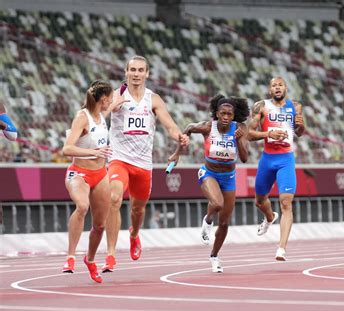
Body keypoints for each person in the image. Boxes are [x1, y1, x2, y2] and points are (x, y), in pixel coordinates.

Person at [103, 55, 189, 272]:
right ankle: (111, 254)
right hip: (119, 159)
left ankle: (134, 235)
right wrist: (112, 106)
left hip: (143, 164)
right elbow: (96, 117)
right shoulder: (115, 95)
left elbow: (169, 126)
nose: (136, 74)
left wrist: (179, 136)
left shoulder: (154, 99)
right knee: (114, 198)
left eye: (141, 70)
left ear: (147, 74)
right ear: (125, 72)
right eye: (132, 70)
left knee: (138, 210)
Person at [168, 94, 249, 273]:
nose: (226, 117)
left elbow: (244, 158)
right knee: (217, 204)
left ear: (234, 115)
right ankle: (208, 220)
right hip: (209, 173)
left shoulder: (240, 128)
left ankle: (214, 256)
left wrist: (237, 140)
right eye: (223, 114)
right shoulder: (207, 127)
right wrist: (177, 153)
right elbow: (188, 128)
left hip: (228, 177)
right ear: (217, 114)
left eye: (230, 114)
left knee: (226, 222)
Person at [61, 80, 127, 283]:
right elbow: (67, 149)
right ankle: (70, 257)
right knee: (82, 206)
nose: (112, 101)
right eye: (110, 98)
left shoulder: (101, 115)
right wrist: (94, 152)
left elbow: (118, 99)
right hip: (79, 173)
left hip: (100, 175)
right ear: (103, 99)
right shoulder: (83, 117)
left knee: (99, 225)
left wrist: (128, 87)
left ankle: (90, 260)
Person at [248, 76, 305, 261]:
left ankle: (281, 248)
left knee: (286, 202)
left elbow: (299, 132)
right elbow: (249, 133)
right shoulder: (260, 106)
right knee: (259, 200)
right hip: (267, 159)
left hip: (286, 159)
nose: (277, 87)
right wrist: (268, 133)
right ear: (269, 89)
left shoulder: (295, 107)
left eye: (280, 85)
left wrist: (301, 126)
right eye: (274, 85)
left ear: (286, 88)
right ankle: (269, 216)